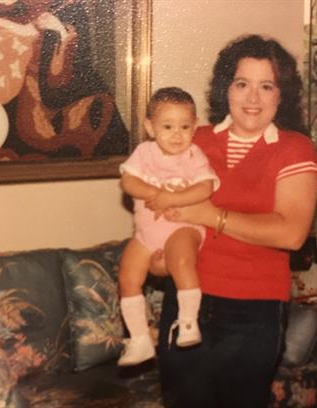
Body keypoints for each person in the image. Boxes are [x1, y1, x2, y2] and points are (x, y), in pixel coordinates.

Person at [153, 35, 317, 407]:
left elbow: (292, 233)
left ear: (282, 95)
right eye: (242, 84)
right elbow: (157, 204)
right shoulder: (193, 140)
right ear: (225, 89)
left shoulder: (294, 148)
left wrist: (210, 215)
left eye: (267, 86)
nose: (253, 98)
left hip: (253, 309)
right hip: (185, 302)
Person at [117, 87, 219, 367]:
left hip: (181, 227)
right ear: (150, 127)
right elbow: (128, 182)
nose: (177, 134)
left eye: (185, 127)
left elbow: (205, 188)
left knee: (182, 261)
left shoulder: (193, 156)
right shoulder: (144, 152)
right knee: (127, 275)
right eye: (168, 126)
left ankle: (188, 322)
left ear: (194, 127)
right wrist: (153, 193)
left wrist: (171, 198)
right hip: (146, 234)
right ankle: (139, 340)